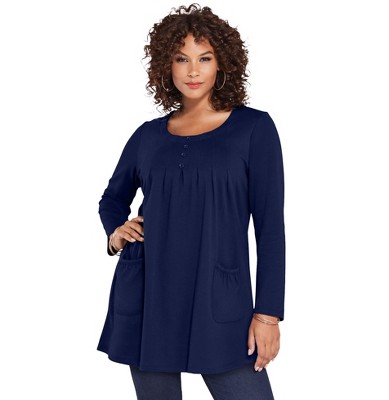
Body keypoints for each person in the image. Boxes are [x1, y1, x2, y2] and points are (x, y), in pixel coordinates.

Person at [97, 4, 286, 399]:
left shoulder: (254, 129)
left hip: (219, 298)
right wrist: (116, 234)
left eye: (205, 58)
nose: (193, 71)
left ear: (222, 63)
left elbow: (270, 229)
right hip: (148, 294)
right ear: (166, 65)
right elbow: (112, 198)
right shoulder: (148, 135)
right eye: (181, 59)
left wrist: (268, 314)